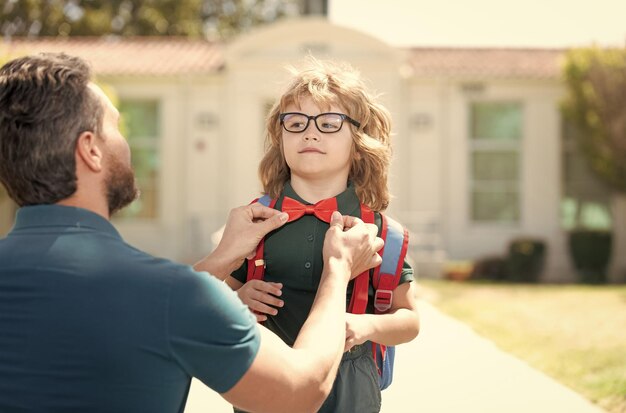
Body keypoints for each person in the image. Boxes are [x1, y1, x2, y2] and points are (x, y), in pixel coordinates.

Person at [0, 53, 385, 413]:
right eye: (115, 126)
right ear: (91, 150)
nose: (127, 142)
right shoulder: (172, 295)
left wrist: (218, 262)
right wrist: (337, 269)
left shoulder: (170, 295)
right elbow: (299, 391)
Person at [225, 58, 420, 413]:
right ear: (279, 138)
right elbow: (214, 292)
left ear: (358, 142)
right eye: (296, 123)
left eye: (329, 123)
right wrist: (238, 297)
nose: (310, 133)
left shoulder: (379, 231)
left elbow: (409, 319)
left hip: (349, 381)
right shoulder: (254, 220)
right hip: (268, 373)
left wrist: (365, 325)